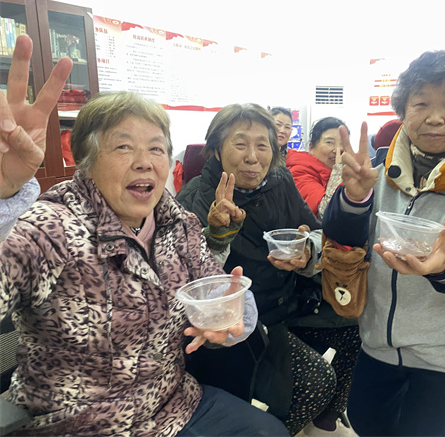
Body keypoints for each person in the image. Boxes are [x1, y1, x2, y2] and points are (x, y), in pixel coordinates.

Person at [0, 35, 288, 436]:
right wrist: (3, 198)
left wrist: (229, 318)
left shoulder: (178, 223)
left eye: (156, 149)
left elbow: (220, 292)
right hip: (82, 422)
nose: (144, 162)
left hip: (175, 402)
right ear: (86, 161)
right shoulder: (53, 226)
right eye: (123, 146)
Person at [321, 49, 445, 436]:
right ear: (403, 110)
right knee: (365, 421)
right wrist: (355, 198)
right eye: (421, 103)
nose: (434, 117)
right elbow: (342, 240)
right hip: (378, 339)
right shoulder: (376, 168)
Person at [176, 103, 362, 434]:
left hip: (290, 300)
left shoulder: (280, 179)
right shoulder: (194, 199)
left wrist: (307, 251)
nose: (253, 157)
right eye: (240, 143)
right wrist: (216, 235)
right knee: (316, 380)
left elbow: (315, 231)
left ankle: (326, 413)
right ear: (216, 149)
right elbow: (190, 281)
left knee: (356, 323)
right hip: (246, 324)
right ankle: (269, 429)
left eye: (262, 145)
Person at [286, 116, 346, 219]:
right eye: (329, 142)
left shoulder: (340, 172)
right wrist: (338, 171)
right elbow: (324, 213)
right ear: (311, 147)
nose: (338, 149)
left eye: (343, 143)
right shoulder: (300, 172)